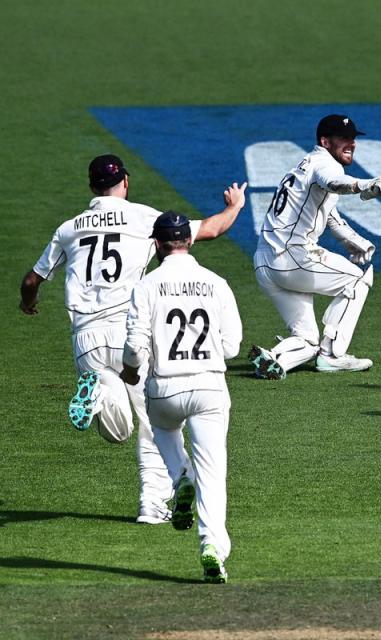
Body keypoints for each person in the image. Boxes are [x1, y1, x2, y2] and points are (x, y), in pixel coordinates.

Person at [19, 154, 247, 525]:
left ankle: (100, 390)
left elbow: (32, 281)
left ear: (92, 187)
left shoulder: (69, 228)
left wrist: (27, 304)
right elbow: (209, 229)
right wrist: (235, 206)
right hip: (130, 332)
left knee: (116, 427)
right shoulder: (145, 218)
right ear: (125, 182)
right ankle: (152, 503)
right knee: (149, 423)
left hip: (86, 339)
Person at [121, 211, 241, 583]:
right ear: (188, 241)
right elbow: (232, 346)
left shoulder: (147, 285)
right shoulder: (216, 282)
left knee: (162, 428)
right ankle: (212, 547)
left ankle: (179, 477)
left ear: (157, 244)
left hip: (164, 388)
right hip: (208, 387)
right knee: (214, 474)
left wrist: (129, 370)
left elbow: (135, 347)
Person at [248, 114, 381, 379]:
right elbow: (335, 183)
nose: (351, 143)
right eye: (344, 138)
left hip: (265, 262)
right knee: (356, 280)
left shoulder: (302, 167)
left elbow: (328, 211)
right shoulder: (324, 164)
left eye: (353, 138)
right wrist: (367, 184)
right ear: (325, 141)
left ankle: (274, 358)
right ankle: (332, 356)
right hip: (292, 257)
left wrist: (351, 239)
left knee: (308, 339)